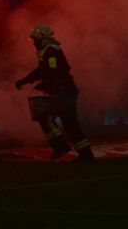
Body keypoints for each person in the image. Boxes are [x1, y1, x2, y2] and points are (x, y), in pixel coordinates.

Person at [15, 23, 93, 162]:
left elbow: (53, 71)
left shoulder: (51, 51)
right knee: (69, 124)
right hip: (64, 92)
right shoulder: (47, 50)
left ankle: (62, 147)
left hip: (63, 92)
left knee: (47, 118)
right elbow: (43, 70)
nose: (34, 43)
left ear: (42, 38)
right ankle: (85, 153)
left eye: (35, 39)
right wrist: (25, 81)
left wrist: (39, 83)